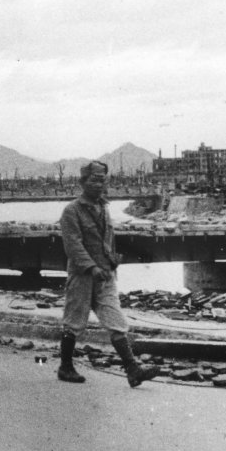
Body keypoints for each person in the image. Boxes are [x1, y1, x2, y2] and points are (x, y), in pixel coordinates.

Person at [58, 161, 159, 387]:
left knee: (115, 320)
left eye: (102, 179)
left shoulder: (104, 207)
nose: (99, 184)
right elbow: (73, 245)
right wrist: (91, 267)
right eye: (94, 179)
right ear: (82, 182)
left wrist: (111, 260)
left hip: (105, 275)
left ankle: (132, 369)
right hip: (83, 275)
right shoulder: (71, 211)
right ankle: (65, 367)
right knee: (74, 321)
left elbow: (107, 240)